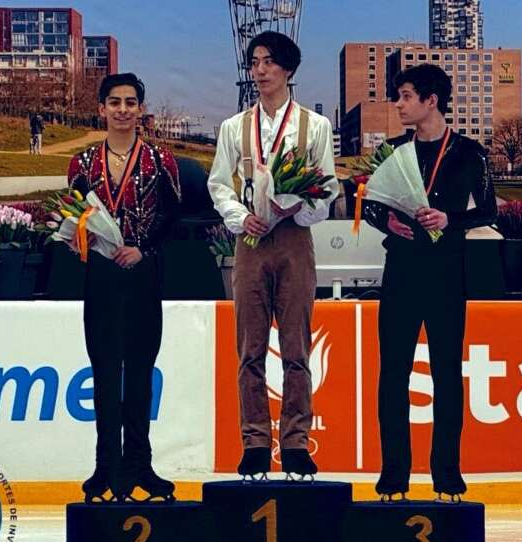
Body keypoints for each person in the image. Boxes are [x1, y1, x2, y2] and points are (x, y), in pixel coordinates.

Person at [361, 64, 497, 502]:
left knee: (446, 374)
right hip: (401, 270)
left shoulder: (469, 153)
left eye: (404, 96)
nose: (398, 105)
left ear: (430, 100)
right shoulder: (394, 150)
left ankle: (447, 473)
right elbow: (370, 204)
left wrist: (449, 219)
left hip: (445, 273)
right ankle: (394, 474)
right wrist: (389, 224)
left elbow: (489, 211)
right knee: (392, 375)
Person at [208, 31, 339, 480]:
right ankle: (256, 442)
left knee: (297, 347)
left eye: (268, 62)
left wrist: (299, 207)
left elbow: (328, 186)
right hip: (249, 242)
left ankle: (297, 442)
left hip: (294, 241)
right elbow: (219, 185)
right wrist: (240, 216)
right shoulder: (232, 127)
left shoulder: (315, 127)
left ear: (288, 70)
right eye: (254, 62)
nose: (260, 70)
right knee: (250, 348)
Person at [67, 73, 182, 502]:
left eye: (130, 102)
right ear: (101, 109)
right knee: (102, 372)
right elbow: (75, 216)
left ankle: (140, 465)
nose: (122, 109)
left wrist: (143, 249)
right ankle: (105, 467)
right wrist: (86, 241)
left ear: (141, 109)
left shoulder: (159, 160)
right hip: (100, 275)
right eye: (114, 102)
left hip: (142, 271)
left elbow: (173, 217)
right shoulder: (81, 163)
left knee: (138, 372)